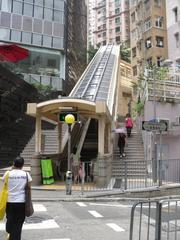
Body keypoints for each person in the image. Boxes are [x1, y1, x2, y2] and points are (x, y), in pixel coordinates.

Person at [2, 156, 32, 240]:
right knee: (18, 224)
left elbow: (4, 181)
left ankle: (10, 232)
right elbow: (29, 188)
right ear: (22, 165)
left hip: (9, 202)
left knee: (10, 219)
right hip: (21, 203)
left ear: (13, 164)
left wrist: (12, 169)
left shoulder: (8, 173)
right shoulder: (26, 174)